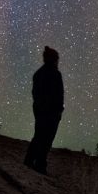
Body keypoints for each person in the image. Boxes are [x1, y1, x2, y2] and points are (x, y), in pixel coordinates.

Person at [24, 46, 64, 175]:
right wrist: (58, 110)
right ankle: (39, 165)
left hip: (40, 110)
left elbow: (35, 94)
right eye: (57, 59)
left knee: (39, 135)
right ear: (53, 59)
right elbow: (58, 95)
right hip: (50, 112)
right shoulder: (55, 74)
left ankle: (29, 161)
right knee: (46, 139)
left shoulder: (38, 73)